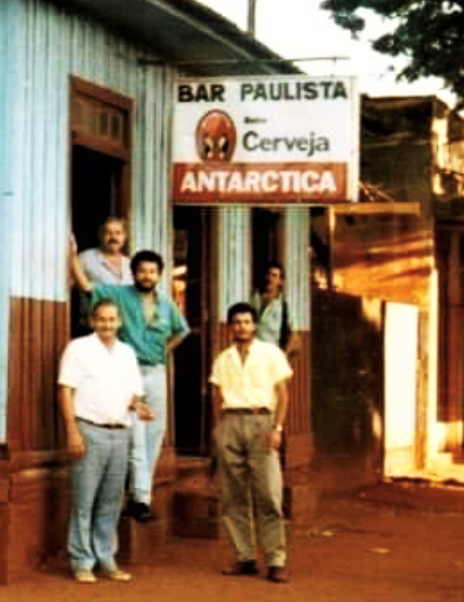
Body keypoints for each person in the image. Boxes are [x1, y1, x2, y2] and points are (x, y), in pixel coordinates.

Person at [70, 236, 190, 523]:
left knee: (154, 434)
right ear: (133, 273)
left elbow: (182, 331)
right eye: (142, 271)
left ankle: (141, 496)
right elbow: (87, 286)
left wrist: (164, 351)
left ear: (159, 275)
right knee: (136, 436)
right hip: (128, 372)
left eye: (152, 271)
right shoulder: (120, 295)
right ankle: (140, 499)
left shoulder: (166, 303)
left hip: (157, 372)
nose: (147, 276)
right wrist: (73, 255)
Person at [58, 299, 152, 583]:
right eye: (101, 319)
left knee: (111, 500)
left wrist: (139, 406)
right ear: (92, 321)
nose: (107, 325)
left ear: (120, 322)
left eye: (112, 320)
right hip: (89, 430)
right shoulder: (78, 348)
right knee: (84, 499)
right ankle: (81, 561)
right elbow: (65, 390)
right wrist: (72, 431)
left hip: (120, 432)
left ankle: (106, 558)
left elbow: (134, 392)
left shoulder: (127, 353)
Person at [209, 302, 294, 584]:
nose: (242, 327)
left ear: (254, 325)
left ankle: (275, 560)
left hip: (262, 422)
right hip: (231, 422)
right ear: (230, 326)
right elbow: (217, 395)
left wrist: (277, 428)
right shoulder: (223, 359)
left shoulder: (270, 353)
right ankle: (244, 558)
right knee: (234, 496)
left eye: (247, 322)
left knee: (268, 493)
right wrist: (218, 429)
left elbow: (282, 394)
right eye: (237, 322)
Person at [249, 260, 298, 356]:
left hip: (272, 356)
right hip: (252, 354)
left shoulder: (285, 307)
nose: (270, 278)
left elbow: (294, 337)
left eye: (274, 275)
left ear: (281, 282)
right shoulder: (253, 299)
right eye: (268, 274)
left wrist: (283, 356)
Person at [78, 217, 134, 286]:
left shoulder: (129, 263)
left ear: (124, 236)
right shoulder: (85, 258)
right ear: (100, 235)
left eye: (118, 233)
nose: (113, 237)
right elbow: (68, 285)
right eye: (108, 232)